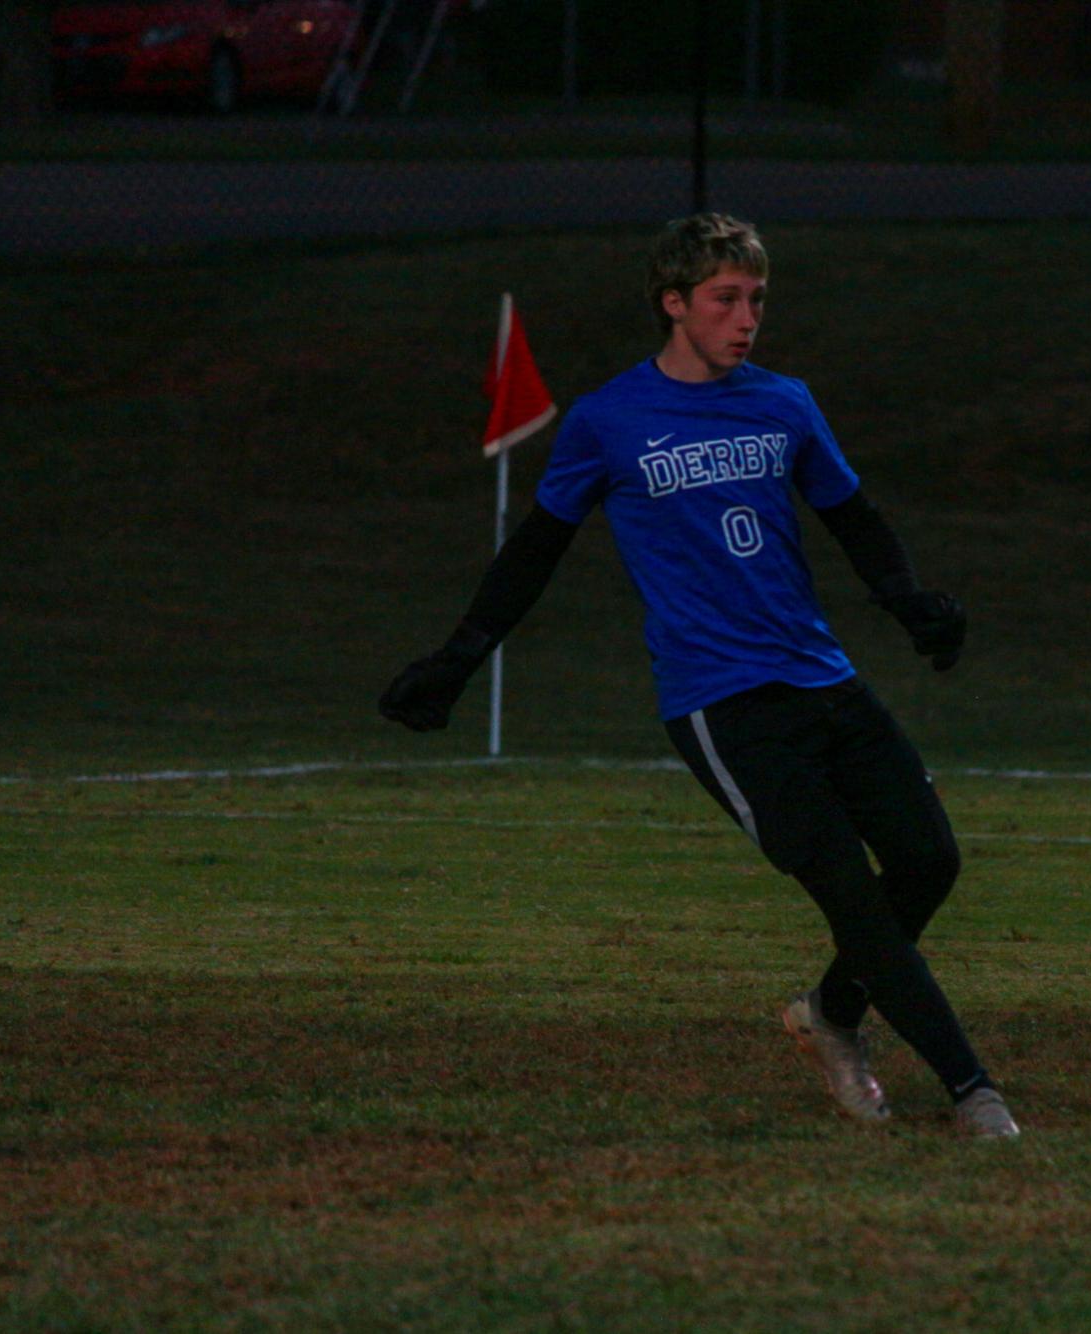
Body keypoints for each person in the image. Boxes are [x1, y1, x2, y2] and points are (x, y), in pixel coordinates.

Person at [378, 213, 1019, 1138]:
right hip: (721, 704)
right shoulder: (608, 420)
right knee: (846, 887)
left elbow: (855, 518)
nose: (746, 316)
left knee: (929, 861)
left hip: (823, 678)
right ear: (672, 305)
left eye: (756, 298)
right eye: (725, 299)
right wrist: (459, 656)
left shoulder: (785, 402)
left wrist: (908, 601)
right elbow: (536, 551)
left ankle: (831, 1012)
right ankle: (973, 1091)